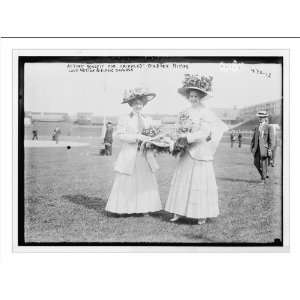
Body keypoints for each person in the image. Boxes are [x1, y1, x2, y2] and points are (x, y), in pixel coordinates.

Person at [165, 74, 228, 225]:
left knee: (199, 182)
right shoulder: (184, 112)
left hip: (199, 151)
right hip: (186, 152)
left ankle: (202, 214)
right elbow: (177, 127)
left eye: (196, 96)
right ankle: (178, 212)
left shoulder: (206, 112)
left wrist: (187, 137)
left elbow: (205, 132)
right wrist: (178, 137)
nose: (193, 98)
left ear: (201, 96)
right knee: (183, 180)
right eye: (191, 96)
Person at [105, 88, 162, 215]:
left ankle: (144, 208)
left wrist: (152, 142)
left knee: (143, 180)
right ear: (130, 104)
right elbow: (119, 135)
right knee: (126, 180)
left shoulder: (148, 119)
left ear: (143, 104)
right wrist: (136, 137)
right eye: (135, 103)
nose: (138, 105)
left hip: (144, 155)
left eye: (140, 103)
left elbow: (153, 135)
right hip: (129, 154)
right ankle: (122, 209)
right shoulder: (124, 118)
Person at [250, 111, 275, 183]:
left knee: (263, 164)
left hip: (264, 149)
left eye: (262, 117)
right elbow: (253, 139)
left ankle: (263, 179)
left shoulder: (269, 127)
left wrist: (270, 149)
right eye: (259, 117)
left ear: (265, 118)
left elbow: (272, 140)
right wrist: (252, 147)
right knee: (256, 163)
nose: (260, 118)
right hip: (256, 149)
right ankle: (264, 175)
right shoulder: (257, 127)